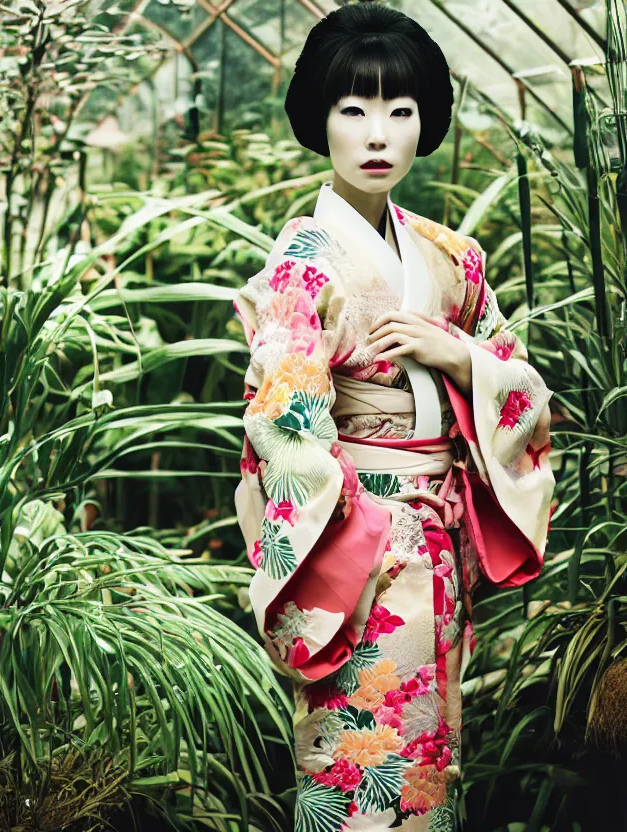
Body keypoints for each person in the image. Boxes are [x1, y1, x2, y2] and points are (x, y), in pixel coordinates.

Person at [232, 3, 555, 829]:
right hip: (357, 557)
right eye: (354, 109)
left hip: (442, 559)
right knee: (357, 777)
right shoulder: (304, 264)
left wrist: (460, 357)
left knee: (433, 774)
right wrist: (365, 525)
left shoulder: (454, 259)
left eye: (399, 111)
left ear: (425, 124)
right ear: (321, 120)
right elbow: (284, 423)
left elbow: (520, 385)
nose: (378, 133)